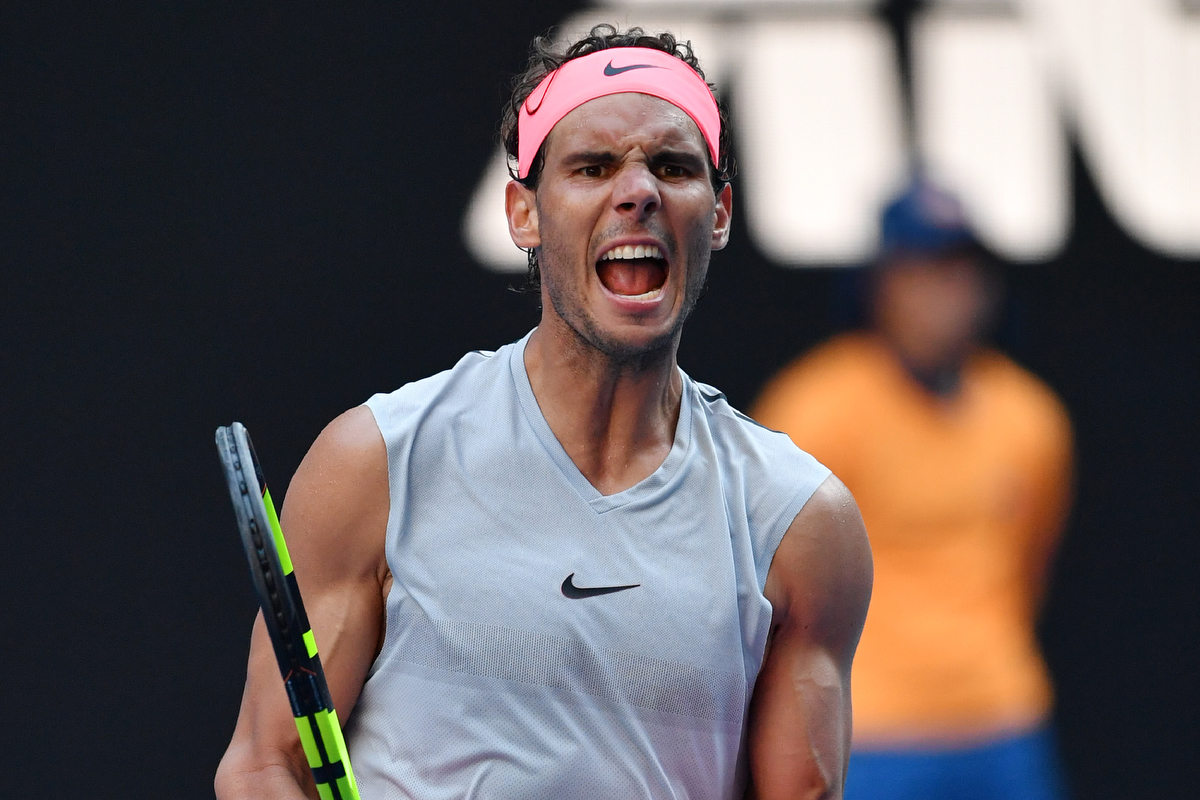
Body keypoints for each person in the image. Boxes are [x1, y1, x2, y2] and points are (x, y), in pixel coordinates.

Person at [215, 25, 872, 800]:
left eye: (672, 166)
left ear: (719, 213)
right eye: (592, 167)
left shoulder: (800, 523)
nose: (638, 192)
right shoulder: (378, 463)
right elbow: (266, 764)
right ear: (523, 214)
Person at [752, 178, 1073, 800]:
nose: (945, 293)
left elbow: (1032, 564)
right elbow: (767, 583)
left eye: (959, 270)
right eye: (923, 271)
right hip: (871, 728)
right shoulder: (817, 410)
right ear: (880, 285)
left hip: (1004, 717)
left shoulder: (1030, 419)